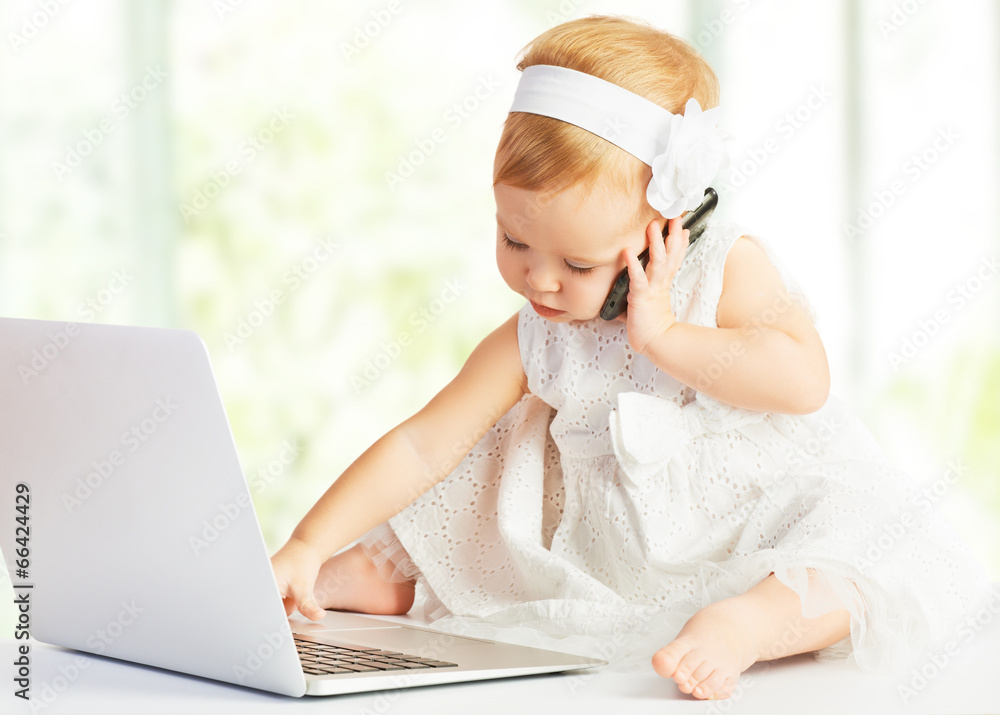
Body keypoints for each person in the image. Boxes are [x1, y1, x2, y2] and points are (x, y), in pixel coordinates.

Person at [270, 15, 993, 701]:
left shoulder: (724, 271)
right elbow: (423, 444)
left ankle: (751, 622)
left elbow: (805, 382)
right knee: (466, 514)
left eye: (576, 263)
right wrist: (307, 537)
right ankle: (334, 575)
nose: (539, 281)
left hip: (748, 514)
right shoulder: (537, 332)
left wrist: (666, 336)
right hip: (605, 540)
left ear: (666, 227)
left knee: (860, 555)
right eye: (514, 241)